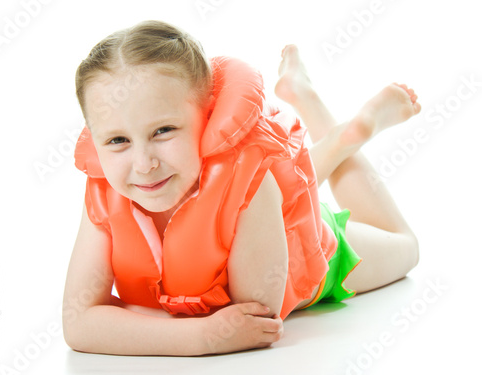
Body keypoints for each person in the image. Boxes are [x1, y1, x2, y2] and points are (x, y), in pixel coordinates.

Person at [62, 20, 420, 356]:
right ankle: (335, 133)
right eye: (118, 140)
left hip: (313, 253)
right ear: (95, 140)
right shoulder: (105, 193)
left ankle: (341, 128)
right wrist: (200, 337)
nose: (143, 164)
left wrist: (129, 320)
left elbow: (255, 318)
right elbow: (77, 325)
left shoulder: (248, 178)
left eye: (163, 131)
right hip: (267, 219)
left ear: (208, 117)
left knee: (406, 246)